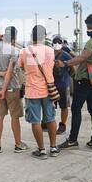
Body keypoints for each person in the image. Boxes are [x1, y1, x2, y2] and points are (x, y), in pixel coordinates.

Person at [58, 14, 92, 151]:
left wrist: (65, 63)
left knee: (76, 109)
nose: (88, 29)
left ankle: (73, 140)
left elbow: (82, 58)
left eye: (90, 27)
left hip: (84, 79)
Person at [16, 25, 60, 160]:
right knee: (51, 118)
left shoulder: (24, 51)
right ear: (44, 36)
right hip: (48, 90)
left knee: (35, 121)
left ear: (31, 36)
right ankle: (53, 147)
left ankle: (41, 150)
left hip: (32, 91)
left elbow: (20, 67)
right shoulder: (50, 51)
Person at [0, 26, 29, 154]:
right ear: (13, 37)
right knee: (14, 117)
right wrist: (5, 73)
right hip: (12, 87)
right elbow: (12, 72)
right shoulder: (14, 51)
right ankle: (18, 144)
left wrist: (0, 74)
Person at [52, 35, 73, 135]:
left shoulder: (66, 55)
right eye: (55, 42)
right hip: (52, 85)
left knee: (64, 106)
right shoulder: (49, 54)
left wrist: (67, 76)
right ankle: (49, 124)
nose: (56, 44)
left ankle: (62, 125)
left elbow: (73, 69)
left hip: (65, 85)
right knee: (51, 106)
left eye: (58, 42)